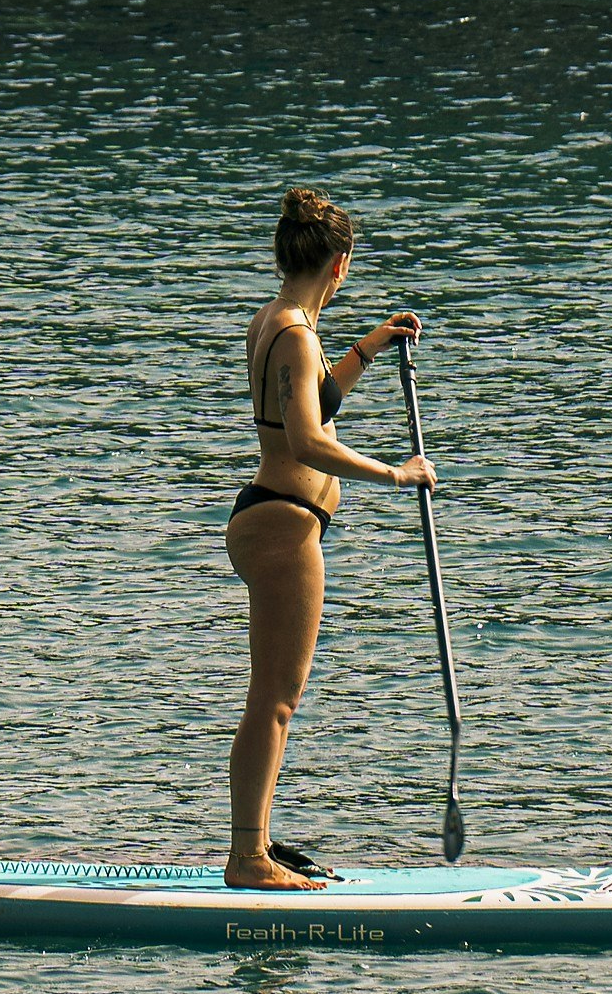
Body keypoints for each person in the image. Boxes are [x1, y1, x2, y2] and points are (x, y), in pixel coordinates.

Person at [222, 185, 431, 890]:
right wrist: (396, 475)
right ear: (339, 263)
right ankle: (248, 857)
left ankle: (256, 841)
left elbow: (312, 397)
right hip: (283, 523)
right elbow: (309, 439)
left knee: (276, 696)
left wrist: (372, 343)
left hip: (274, 518)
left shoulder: (278, 320)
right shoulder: (293, 330)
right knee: (274, 699)